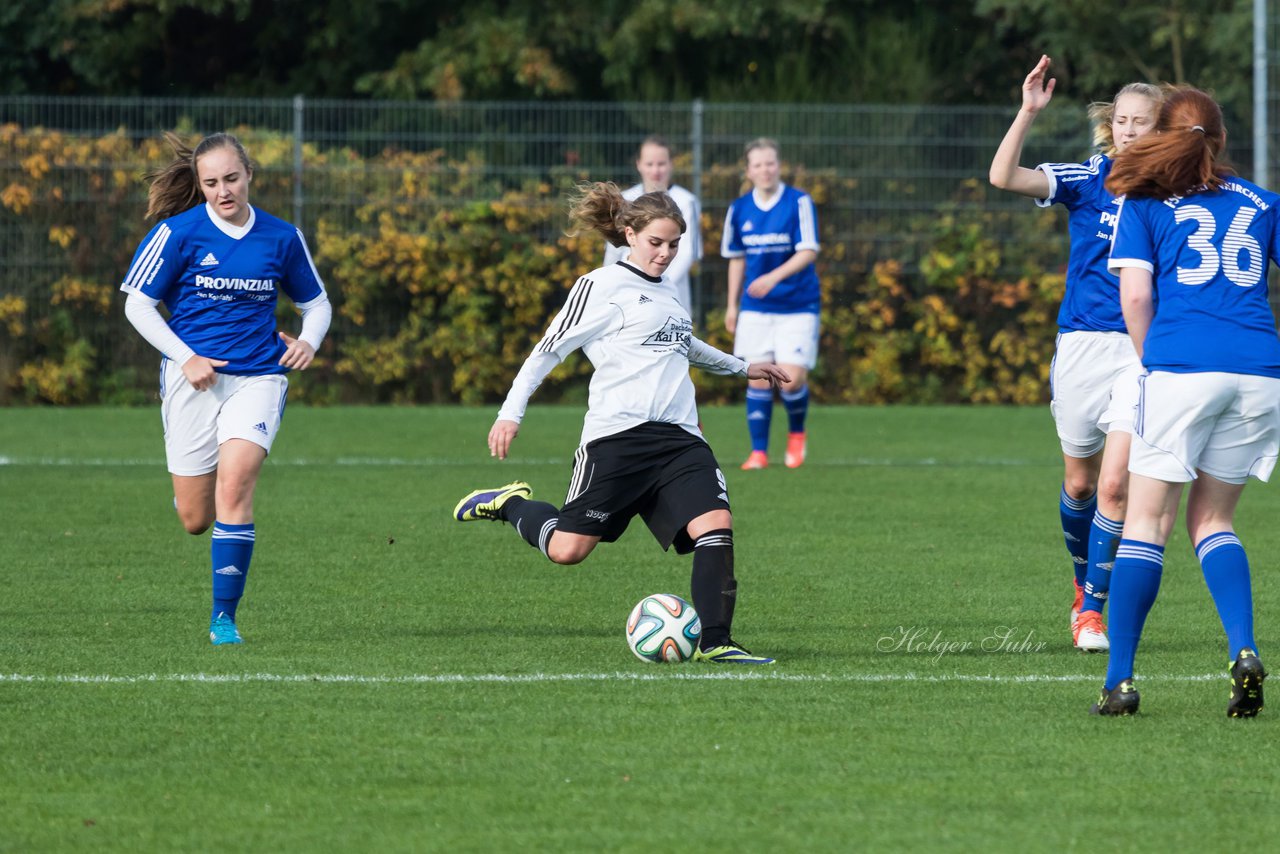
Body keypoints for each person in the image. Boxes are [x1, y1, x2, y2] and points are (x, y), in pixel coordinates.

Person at [454, 182, 789, 664]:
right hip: (618, 439)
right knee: (568, 550)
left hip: (679, 439)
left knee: (715, 524)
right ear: (629, 234)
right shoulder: (600, 286)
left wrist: (742, 366)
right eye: (656, 242)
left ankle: (717, 642)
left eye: (674, 244)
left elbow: (684, 345)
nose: (666, 253)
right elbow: (548, 350)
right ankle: (510, 505)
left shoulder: (669, 292)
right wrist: (511, 412)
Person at [1092, 86, 1276, 716]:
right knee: (1215, 521)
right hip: (1259, 375)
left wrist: (1153, 364)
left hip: (1180, 369)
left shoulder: (1142, 202)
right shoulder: (1262, 202)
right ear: (1221, 139)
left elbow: (1136, 300)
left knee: (1146, 524)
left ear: (1166, 134)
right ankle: (1244, 650)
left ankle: (1118, 681)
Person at [119, 132, 332, 646]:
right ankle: (190, 497)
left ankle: (223, 619)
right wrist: (185, 356)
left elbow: (317, 305)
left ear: (250, 174)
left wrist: (308, 342)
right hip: (193, 381)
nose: (223, 191)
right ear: (199, 183)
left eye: (231, 179)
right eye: (211, 182)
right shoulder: (178, 234)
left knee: (236, 485)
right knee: (196, 518)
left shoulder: (282, 237)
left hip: (258, 375)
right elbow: (137, 304)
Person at [988, 56, 1162, 652]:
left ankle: (1091, 610)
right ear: (1109, 125)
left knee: (1116, 487)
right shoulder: (1090, 177)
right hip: (1082, 348)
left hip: (1142, 352)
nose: (1130, 130)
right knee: (1082, 485)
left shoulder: (1177, 192)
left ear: (1161, 130)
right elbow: (1003, 177)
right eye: (1122, 120)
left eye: (1142, 121)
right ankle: (1081, 575)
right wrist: (1027, 111)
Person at [721, 137, 820, 471]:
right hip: (755, 308)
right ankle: (759, 452)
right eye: (758, 164)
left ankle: (796, 433)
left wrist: (773, 277)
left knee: (791, 378)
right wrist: (732, 306)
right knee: (758, 376)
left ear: (779, 165)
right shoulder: (738, 209)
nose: (765, 170)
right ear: (748, 170)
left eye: (770, 163)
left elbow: (808, 251)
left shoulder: (799, 202)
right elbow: (735, 259)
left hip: (797, 304)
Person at [603, 135, 702, 315]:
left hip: (670, 298)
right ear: (639, 164)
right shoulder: (625, 199)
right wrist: (607, 286)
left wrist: (656, 284)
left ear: (671, 164)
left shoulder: (687, 201)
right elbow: (613, 249)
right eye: (649, 164)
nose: (655, 170)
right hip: (627, 295)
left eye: (661, 164)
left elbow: (688, 253)